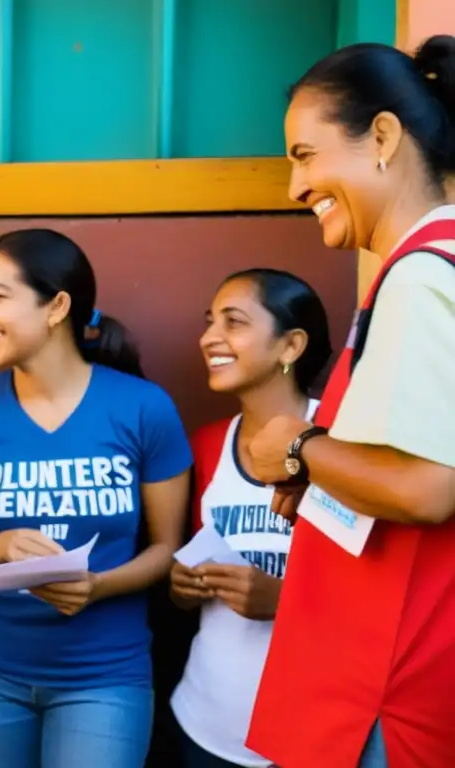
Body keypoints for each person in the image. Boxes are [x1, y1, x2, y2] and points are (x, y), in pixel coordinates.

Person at [242, 35, 455, 768]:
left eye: (305, 155)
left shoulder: (421, 279)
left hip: (388, 687)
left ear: (384, 138)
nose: (295, 186)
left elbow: (429, 488)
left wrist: (298, 448)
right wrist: (328, 475)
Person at [0, 228, 192, 768]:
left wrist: (97, 587)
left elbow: (169, 548)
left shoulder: (144, 409)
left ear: (57, 307)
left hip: (105, 677)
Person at [168, 269, 332, 768]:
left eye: (233, 322)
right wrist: (182, 585)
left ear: (291, 346)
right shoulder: (206, 445)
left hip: (316, 729)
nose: (209, 337)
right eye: (209, 321)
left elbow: (386, 594)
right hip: (208, 724)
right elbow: (184, 572)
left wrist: (285, 600)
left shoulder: (345, 444)